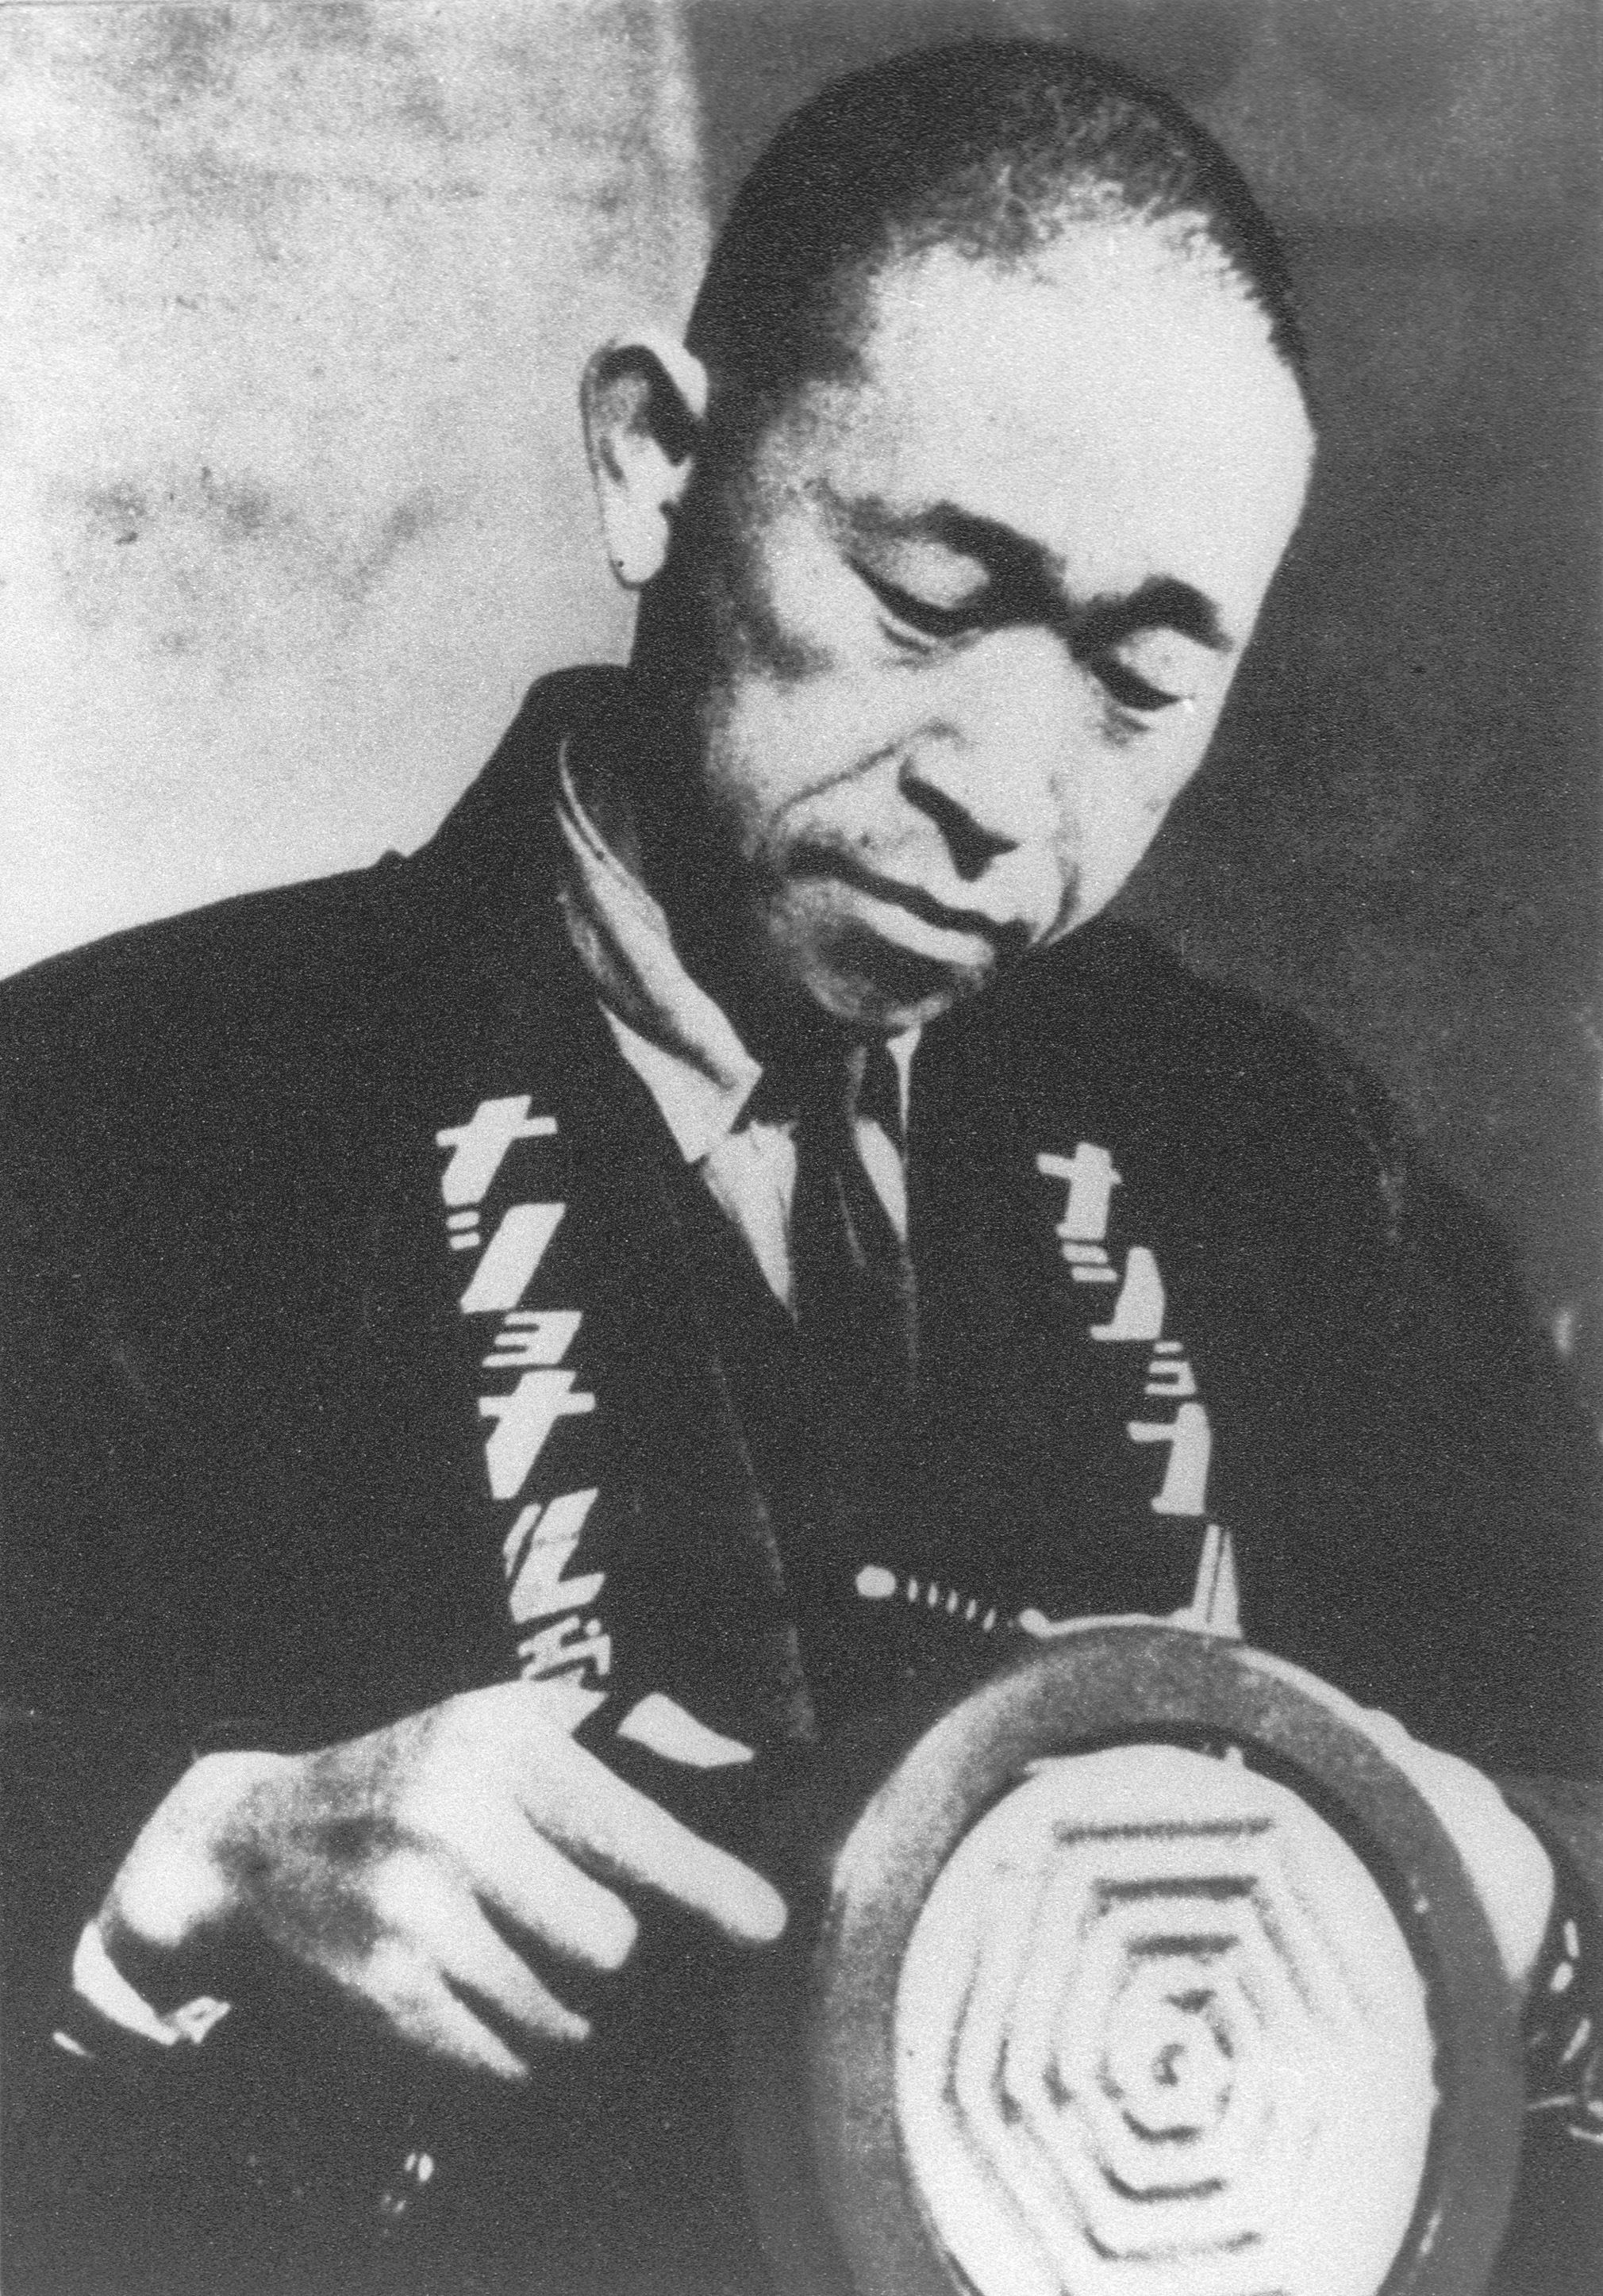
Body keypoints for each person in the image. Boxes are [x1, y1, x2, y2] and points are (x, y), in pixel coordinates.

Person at [1, 36, 1597, 2296]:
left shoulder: (1282, 1165)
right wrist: (185, 1864)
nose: (1002, 792)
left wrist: (1522, 1892)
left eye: (1143, 678)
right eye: (931, 595)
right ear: (654, 462)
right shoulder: (110, 1125)